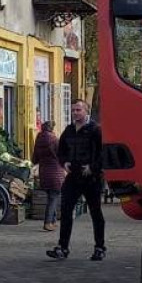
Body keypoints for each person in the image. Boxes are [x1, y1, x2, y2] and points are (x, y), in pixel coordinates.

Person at [47, 99, 106, 261]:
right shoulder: (69, 130)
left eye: (78, 110)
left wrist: (92, 168)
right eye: (73, 110)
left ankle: (99, 247)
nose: (75, 113)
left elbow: (104, 153)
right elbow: (61, 151)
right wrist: (64, 162)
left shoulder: (96, 130)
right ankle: (62, 247)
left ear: (86, 111)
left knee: (95, 212)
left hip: (91, 178)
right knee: (66, 211)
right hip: (73, 177)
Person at [31, 120, 64, 232]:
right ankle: (48, 222)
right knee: (53, 197)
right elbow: (62, 155)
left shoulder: (39, 139)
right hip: (55, 172)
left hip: (44, 172)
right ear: (52, 128)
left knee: (51, 196)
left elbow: (34, 159)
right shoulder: (55, 139)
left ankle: (53, 221)